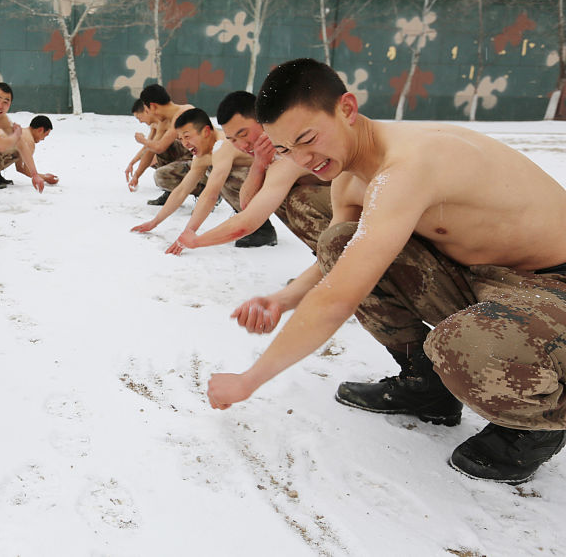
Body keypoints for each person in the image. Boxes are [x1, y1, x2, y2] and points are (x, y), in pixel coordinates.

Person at [208, 58, 566, 484]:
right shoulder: (349, 178)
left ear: (346, 108)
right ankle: (426, 387)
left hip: (552, 284)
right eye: (285, 150)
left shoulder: (411, 163)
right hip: (484, 277)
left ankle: (538, 426)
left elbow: (337, 298)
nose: (303, 159)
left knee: (464, 346)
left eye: (307, 138)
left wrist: (249, 380)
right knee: (339, 239)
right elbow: (340, 264)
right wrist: (282, 299)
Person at [171, 91, 332, 255]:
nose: (242, 145)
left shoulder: (291, 147)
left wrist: (196, 241)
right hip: (341, 206)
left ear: (263, 120)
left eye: (244, 134)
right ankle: (329, 259)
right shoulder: (268, 154)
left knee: (299, 200)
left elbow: (245, 222)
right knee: (279, 195)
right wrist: (259, 164)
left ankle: (336, 261)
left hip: (355, 207)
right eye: (233, 139)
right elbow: (246, 204)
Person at [130, 108, 245, 241]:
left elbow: (210, 195)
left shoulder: (223, 146)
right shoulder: (201, 156)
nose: (185, 144)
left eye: (187, 136)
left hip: (269, 186)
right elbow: (182, 190)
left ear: (206, 131)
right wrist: (154, 222)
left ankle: (259, 226)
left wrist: (189, 233)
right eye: (181, 139)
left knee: (221, 176)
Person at [132, 84, 193, 206]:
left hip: (208, 162)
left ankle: (205, 190)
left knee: (161, 176)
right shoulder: (163, 122)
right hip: (191, 158)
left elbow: (159, 147)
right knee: (158, 148)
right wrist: (137, 175)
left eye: (147, 110)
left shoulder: (184, 112)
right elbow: (151, 150)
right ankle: (170, 191)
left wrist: (143, 140)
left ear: (153, 106)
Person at [125, 98, 157, 193]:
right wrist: (132, 163)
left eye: (139, 118)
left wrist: (137, 174)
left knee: (159, 174)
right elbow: (148, 147)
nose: (140, 122)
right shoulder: (154, 125)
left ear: (147, 111)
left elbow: (157, 149)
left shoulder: (165, 122)